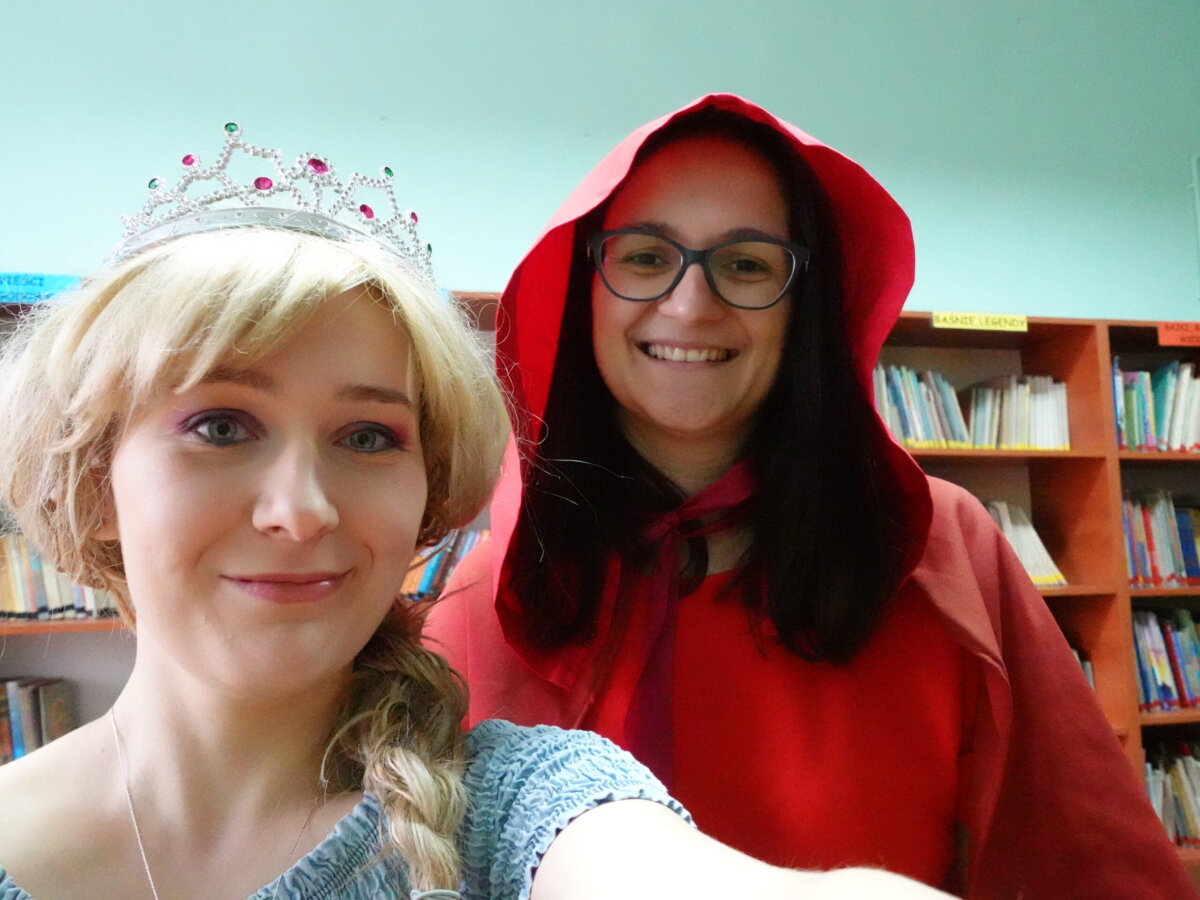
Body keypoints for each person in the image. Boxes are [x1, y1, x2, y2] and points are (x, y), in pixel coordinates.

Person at [0, 126, 956, 900]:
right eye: (220, 426)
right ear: (93, 475)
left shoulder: (516, 806)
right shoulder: (498, 591)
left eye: (367, 435)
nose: (301, 510)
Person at [425, 93, 1198, 898]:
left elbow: (1091, 865)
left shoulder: (942, 553)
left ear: (806, 306)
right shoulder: (493, 593)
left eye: (746, 264)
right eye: (646, 257)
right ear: (583, 285)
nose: (689, 304)